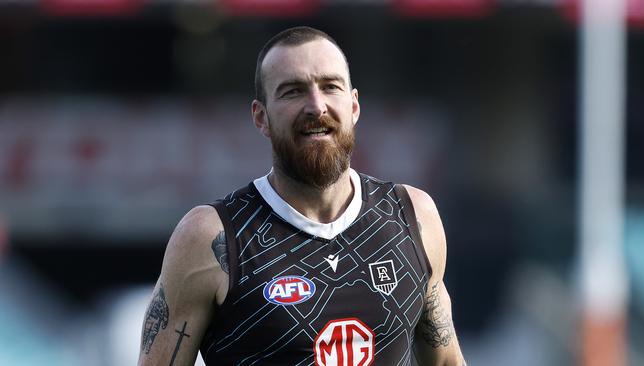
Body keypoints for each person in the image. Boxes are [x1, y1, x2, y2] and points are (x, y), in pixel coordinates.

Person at [138, 26, 466, 366]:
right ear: (261, 117)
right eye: (293, 92)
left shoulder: (412, 215)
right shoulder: (212, 237)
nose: (316, 106)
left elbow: (445, 361)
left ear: (354, 106)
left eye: (330, 87)